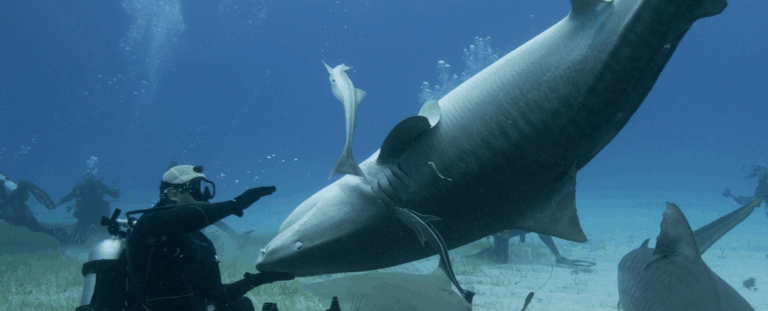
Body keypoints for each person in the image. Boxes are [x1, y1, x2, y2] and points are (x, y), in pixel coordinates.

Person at [126, 164, 293, 311]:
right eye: (198, 189)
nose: (206, 196)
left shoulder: (201, 241)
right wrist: (236, 204)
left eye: (208, 188)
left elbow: (217, 295)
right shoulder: (149, 225)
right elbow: (186, 218)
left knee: (242, 305)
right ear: (172, 193)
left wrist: (255, 280)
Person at [0, 171, 69, 244]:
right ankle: (53, 232)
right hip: (17, 201)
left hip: (7, 204)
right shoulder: (4, 180)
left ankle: (21, 190)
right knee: (33, 225)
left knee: (17, 221)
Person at [468, 230, 595, 267]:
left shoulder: (535, 216)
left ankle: (558, 257)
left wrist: (557, 255)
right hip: (501, 231)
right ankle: (485, 253)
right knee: (501, 260)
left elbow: (544, 232)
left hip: (511, 228)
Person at [57, 171, 121, 244]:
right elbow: (69, 197)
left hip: (95, 215)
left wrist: (116, 188)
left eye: (90, 176)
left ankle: (109, 246)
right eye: (87, 176)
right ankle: (72, 246)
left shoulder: (96, 186)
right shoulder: (83, 187)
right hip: (88, 215)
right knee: (77, 233)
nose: (89, 178)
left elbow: (114, 195)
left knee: (104, 232)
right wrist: (60, 202)